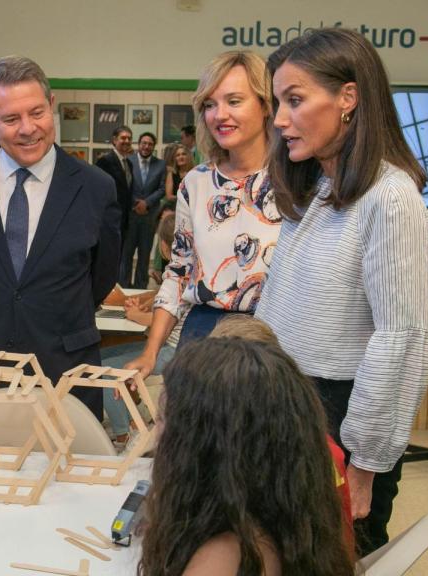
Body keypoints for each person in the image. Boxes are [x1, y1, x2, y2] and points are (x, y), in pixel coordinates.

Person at [257, 28, 428, 555]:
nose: (280, 119)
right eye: (277, 103)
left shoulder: (391, 198)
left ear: (348, 98)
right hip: (293, 407)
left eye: (295, 100)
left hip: (341, 418)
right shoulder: (319, 191)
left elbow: (400, 340)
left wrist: (365, 464)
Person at [0, 56, 121, 417]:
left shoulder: (97, 188)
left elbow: (101, 276)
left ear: (52, 106)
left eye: (37, 113)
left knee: (65, 471)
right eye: (11, 118)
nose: (27, 129)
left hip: (65, 368)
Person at [138, 337, 355, 576]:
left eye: (161, 419)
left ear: (203, 445)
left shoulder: (222, 558)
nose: (156, 433)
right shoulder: (285, 521)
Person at [125, 50, 280, 379]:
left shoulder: (295, 183)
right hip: (202, 337)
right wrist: (150, 353)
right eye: (210, 105)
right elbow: (178, 273)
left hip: (274, 338)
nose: (219, 115)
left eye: (234, 101)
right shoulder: (195, 183)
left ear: (266, 104)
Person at [101, 214, 184, 446]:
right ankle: (130, 423)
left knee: (106, 370)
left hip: (173, 349)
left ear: (165, 248)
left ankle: (123, 435)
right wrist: (150, 299)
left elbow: (166, 320)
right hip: (170, 346)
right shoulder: (181, 273)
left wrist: (136, 315)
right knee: (99, 357)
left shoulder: (182, 275)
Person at [122, 132, 167, 288]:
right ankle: (124, 286)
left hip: (149, 216)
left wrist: (146, 203)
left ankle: (141, 287)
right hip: (130, 215)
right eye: (144, 143)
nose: (146, 146)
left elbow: (162, 189)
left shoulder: (160, 165)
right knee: (126, 254)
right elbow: (124, 186)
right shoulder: (128, 161)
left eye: (150, 144)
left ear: (153, 147)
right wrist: (136, 203)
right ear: (138, 144)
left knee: (144, 254)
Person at [95, 126, 135, 253]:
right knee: (106, 258)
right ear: (114, 140)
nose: (127, 141)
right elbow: (98, 192)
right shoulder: (104, 161)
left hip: (124, 221)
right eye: (123, 138)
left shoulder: (129, 164)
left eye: (129, 138)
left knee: (118, 257)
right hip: (108, 220)